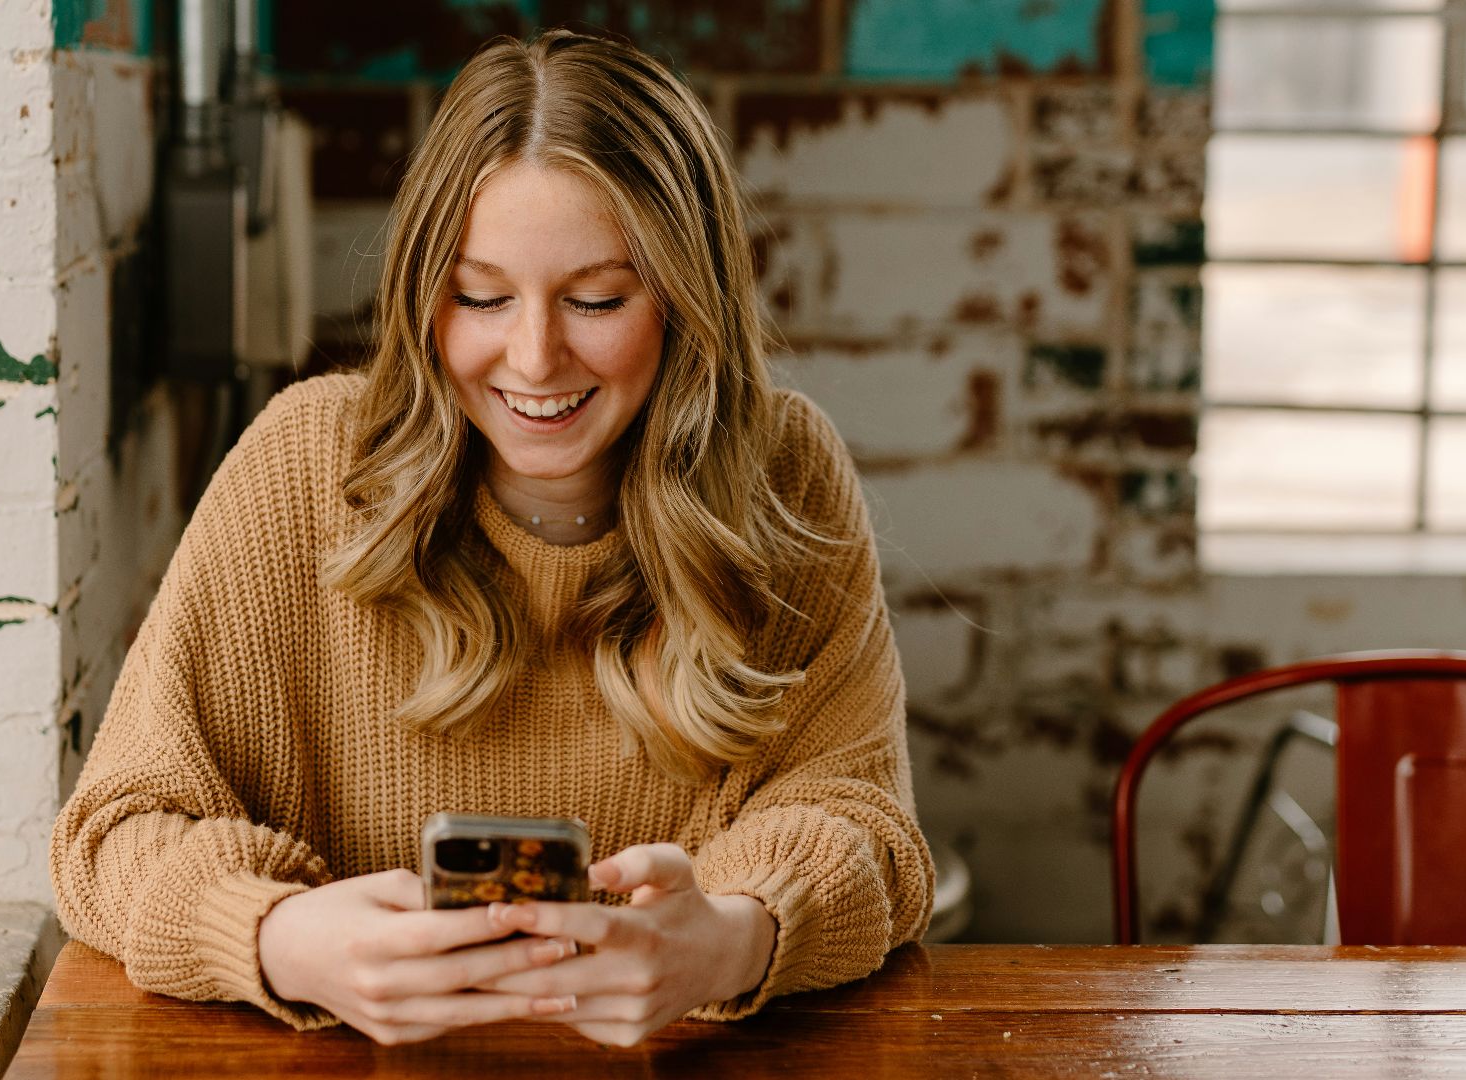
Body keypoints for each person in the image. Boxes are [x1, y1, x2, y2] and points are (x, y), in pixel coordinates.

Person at [49, 28, 933, 1048]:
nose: (534, 356)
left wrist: (730, 942)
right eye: (480, 296)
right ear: (426, 293)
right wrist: (281, 938)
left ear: (689, 305)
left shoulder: (786, 474)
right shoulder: (300, 466)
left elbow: (870, 832)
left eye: (598, 299)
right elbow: (112, 834)